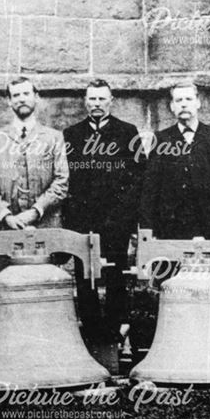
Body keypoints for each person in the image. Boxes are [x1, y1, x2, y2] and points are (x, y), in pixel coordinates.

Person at [63, 79, 145, 343]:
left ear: (111, 101)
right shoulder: (71, 135)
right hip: (83, 220)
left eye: (101, 99)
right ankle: (91, 330)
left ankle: (114, 332)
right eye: (92, 99)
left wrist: (124, 217)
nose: (96, 104)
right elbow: (67, 179)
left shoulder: (126, 131)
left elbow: (137, 178)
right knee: (85, 276)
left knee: (116, 274)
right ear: (85, 102)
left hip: (117, 220)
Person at [139, 82, 210, 241]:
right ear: (172, 106)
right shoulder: (161, 138)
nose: (184, 104)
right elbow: (150, 188)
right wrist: (148, 229)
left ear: (198, 103)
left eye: (188, 99)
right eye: (178, 101)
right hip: (171, 228)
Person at [0, 77, 69, 230]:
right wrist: (6, 216)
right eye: (16, 95)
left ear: (36, 97)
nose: (21, 99)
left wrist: (35, 211)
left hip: (46, 224)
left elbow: (61, 181)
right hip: (6, 226)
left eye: (26, 94)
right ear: (9, 101)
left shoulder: (54, 138)